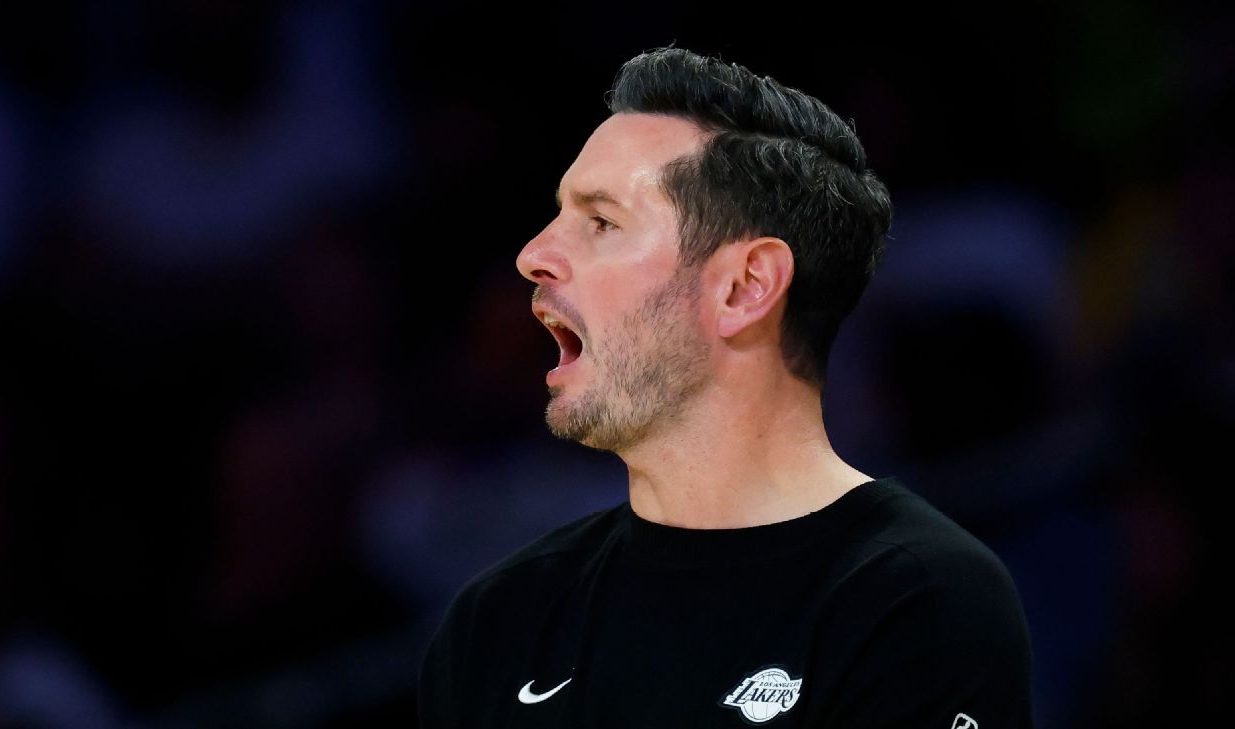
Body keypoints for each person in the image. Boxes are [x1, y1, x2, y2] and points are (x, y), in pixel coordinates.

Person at [418, 47, 1033, 728]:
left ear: (745, 287)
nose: (533, 255)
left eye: (601, 222)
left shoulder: (916, 599)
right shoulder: (497, 619)